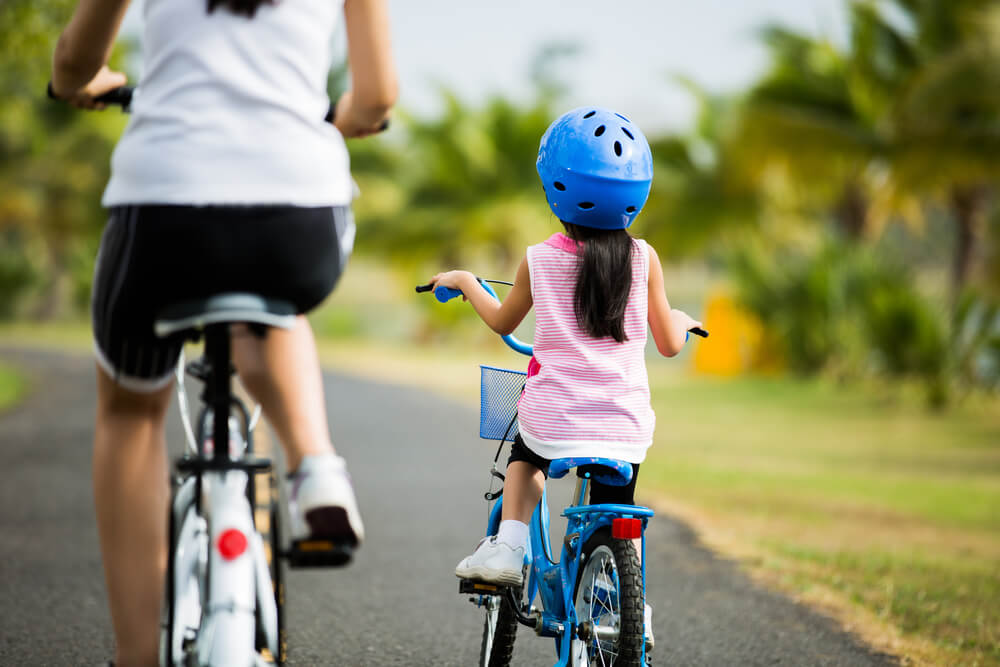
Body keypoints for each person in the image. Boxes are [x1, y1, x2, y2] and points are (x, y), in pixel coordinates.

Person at [50, 0, 396, 663]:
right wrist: (343, 118)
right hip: (297, 217)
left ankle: (135, 656)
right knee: (275, 303)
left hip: (163, 213)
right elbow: (378, 98)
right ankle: (317, 464)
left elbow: (73, 63)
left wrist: (81, 85)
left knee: (130, 412)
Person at [429, 106, 700, 648]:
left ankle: (506, 545)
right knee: (615, 509)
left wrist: (464, 280)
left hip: (556, 419)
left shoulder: (538, 259)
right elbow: (668, 343)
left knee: (525, 459)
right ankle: (624, 604)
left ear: (556, 188)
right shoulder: (644, 258)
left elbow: (504, 320)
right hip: (625, 427)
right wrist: (684, 323)